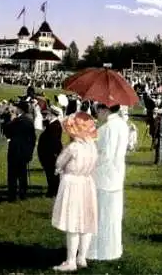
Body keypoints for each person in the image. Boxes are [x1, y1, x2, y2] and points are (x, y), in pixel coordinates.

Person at [51, 112, 99, 272]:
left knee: (72, 221)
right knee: (86, 221)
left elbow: (58, 163)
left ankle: (70, 261)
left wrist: (60, 166)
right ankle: (82, 257)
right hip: (87, 182)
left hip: (73, 183)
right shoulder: (92, 147)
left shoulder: (73, 148)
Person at [87, 103, 129, 261]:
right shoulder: (122, 125)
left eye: (98, 110)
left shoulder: (106, 129)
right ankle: (113, 249)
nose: (97, 114)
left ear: (104, 110)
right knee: (112, 215)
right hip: (117, 175)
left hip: (103, 176)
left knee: (101, 215)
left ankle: (99, 251)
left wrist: (90, 163)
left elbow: (106, 155)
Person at [4, 100, 37, 201]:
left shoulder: (17, 121)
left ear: (19, 109)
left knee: (12, 174)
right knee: (22, 174)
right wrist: (30, 152)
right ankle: (23, 194)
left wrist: (11, 120)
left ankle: (12, 195)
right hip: (24, 152)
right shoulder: (29, 121)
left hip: (15, 150)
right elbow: (33, 138)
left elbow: (7, 132)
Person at [37, 105, 64, 197]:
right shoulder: (51, 124)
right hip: (48, 153)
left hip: (50, 154)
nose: (47, 114)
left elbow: (54, 141)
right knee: (50, 174)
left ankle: (53, 191)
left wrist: (54, 153)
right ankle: (52, 190)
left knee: (52, 174)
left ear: (52, 114)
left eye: (49, 113)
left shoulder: (55, 125)